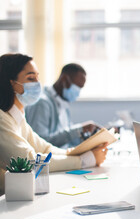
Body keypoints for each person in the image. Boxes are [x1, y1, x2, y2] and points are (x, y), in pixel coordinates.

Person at [0, 53, 108, 196]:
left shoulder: (17, 116)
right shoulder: (2, 119)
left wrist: (77, 153)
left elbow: (44, 148)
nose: (37, 83)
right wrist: (83, 160)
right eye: (31, 78)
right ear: (10, 82)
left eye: (37, 77)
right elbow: (30, 161)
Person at [25, 63, 99, 148]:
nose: (78, 92)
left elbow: (66, 140)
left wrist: (88, 136)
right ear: (64, 79)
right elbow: (40, 143)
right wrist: (79, 129)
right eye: (77, 87)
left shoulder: (63, 104)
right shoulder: (42, 103)